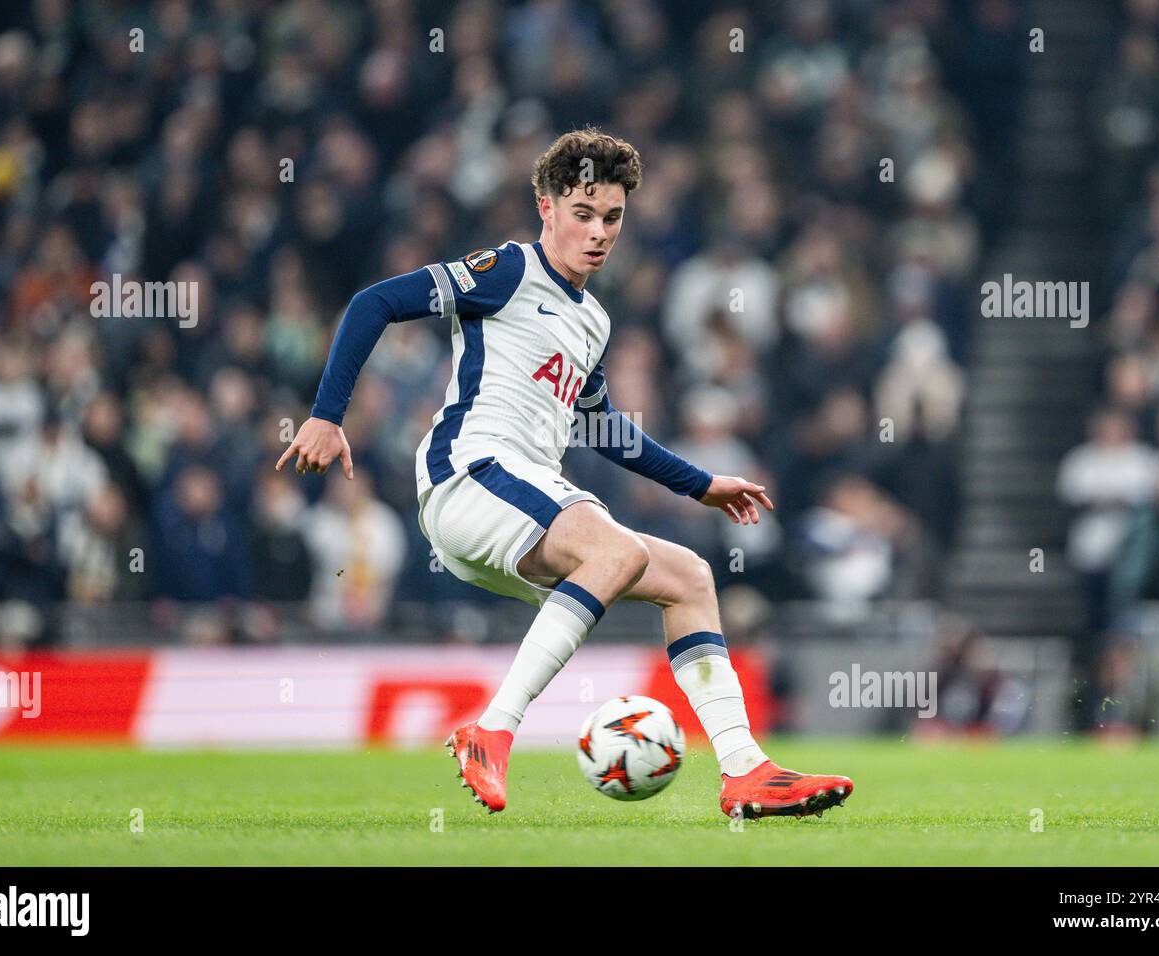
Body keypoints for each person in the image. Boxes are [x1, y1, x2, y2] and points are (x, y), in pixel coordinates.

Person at [276, 128, 853, 818]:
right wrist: (327, 413)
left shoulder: (593, 320)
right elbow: (376, 302)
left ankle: (745, 771)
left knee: (691, 579)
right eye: (583, 213)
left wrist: (702, 484)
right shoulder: (510, 271)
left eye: (612, 217)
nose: (599, 232)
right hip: (470, 473)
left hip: (524, 506)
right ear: (545, 207)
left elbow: (603, 426)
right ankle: (491, 729)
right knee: (617, 547)